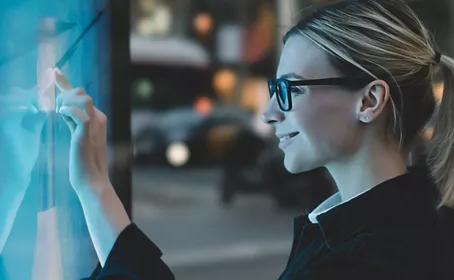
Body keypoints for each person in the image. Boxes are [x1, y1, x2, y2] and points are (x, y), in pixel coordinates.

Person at [57, 1, 454, 279]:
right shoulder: (401, 227)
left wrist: (94, 189)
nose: (268, 113)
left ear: (369, 100)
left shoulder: (367, 261)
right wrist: (95, 188)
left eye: (289, 90)